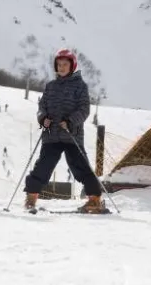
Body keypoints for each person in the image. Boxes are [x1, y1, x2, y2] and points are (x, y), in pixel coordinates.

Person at [23, 49, 106, 214]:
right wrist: (43, 118)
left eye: (65, 64)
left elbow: (84, 110)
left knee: (80, 167)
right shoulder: (50, 86)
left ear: (72, 65)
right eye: (59, 64)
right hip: (51, 135)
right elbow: (42, 107)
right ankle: (31, 198)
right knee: (43, 166)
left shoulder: (80, 86)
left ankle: (94, 200)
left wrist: (69, 121)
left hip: (71, 134)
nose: (61, 67)